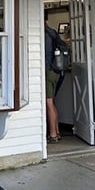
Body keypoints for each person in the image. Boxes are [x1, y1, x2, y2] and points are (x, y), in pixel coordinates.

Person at [44, 13, 61, 144]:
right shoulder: (53, 32)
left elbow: (45, 56)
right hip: (55, 71)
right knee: (53, 102)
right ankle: (57, 131)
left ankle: (53, 134)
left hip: (48, 71)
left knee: (48, 102)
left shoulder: (44, 34)